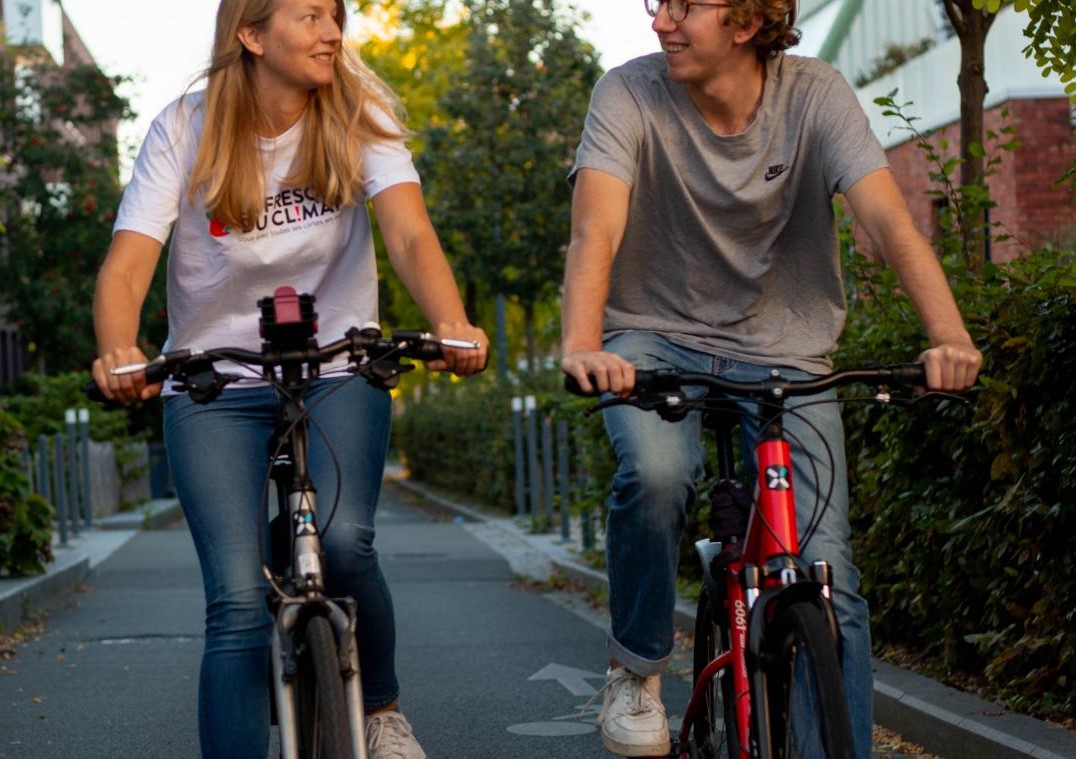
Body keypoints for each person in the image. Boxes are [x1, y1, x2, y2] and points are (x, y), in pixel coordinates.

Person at [559, 1, 982, 757]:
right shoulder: (627, 93)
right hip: (653, 336)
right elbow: (598, 226)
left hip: (786, 346)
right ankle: (638, 666)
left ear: (749, 21)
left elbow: (887, 220)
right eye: (658, 3)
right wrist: (584, 343)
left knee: (828, 571)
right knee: (658, 473)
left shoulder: (815, 94)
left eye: (687, 6)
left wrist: (947, 335)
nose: (661, 22)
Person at [90, 1, 488, 757]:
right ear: (251, 34)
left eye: (334, 15)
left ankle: (381, 705)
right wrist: (118, 347)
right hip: (216, 382)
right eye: (309, 16)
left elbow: (407, 229)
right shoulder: (185, 127)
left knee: (344, 541)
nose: (333, 32)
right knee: (238, 602)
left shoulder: (356, 108)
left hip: (338, 365)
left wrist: (454, 321)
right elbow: (129, 259)